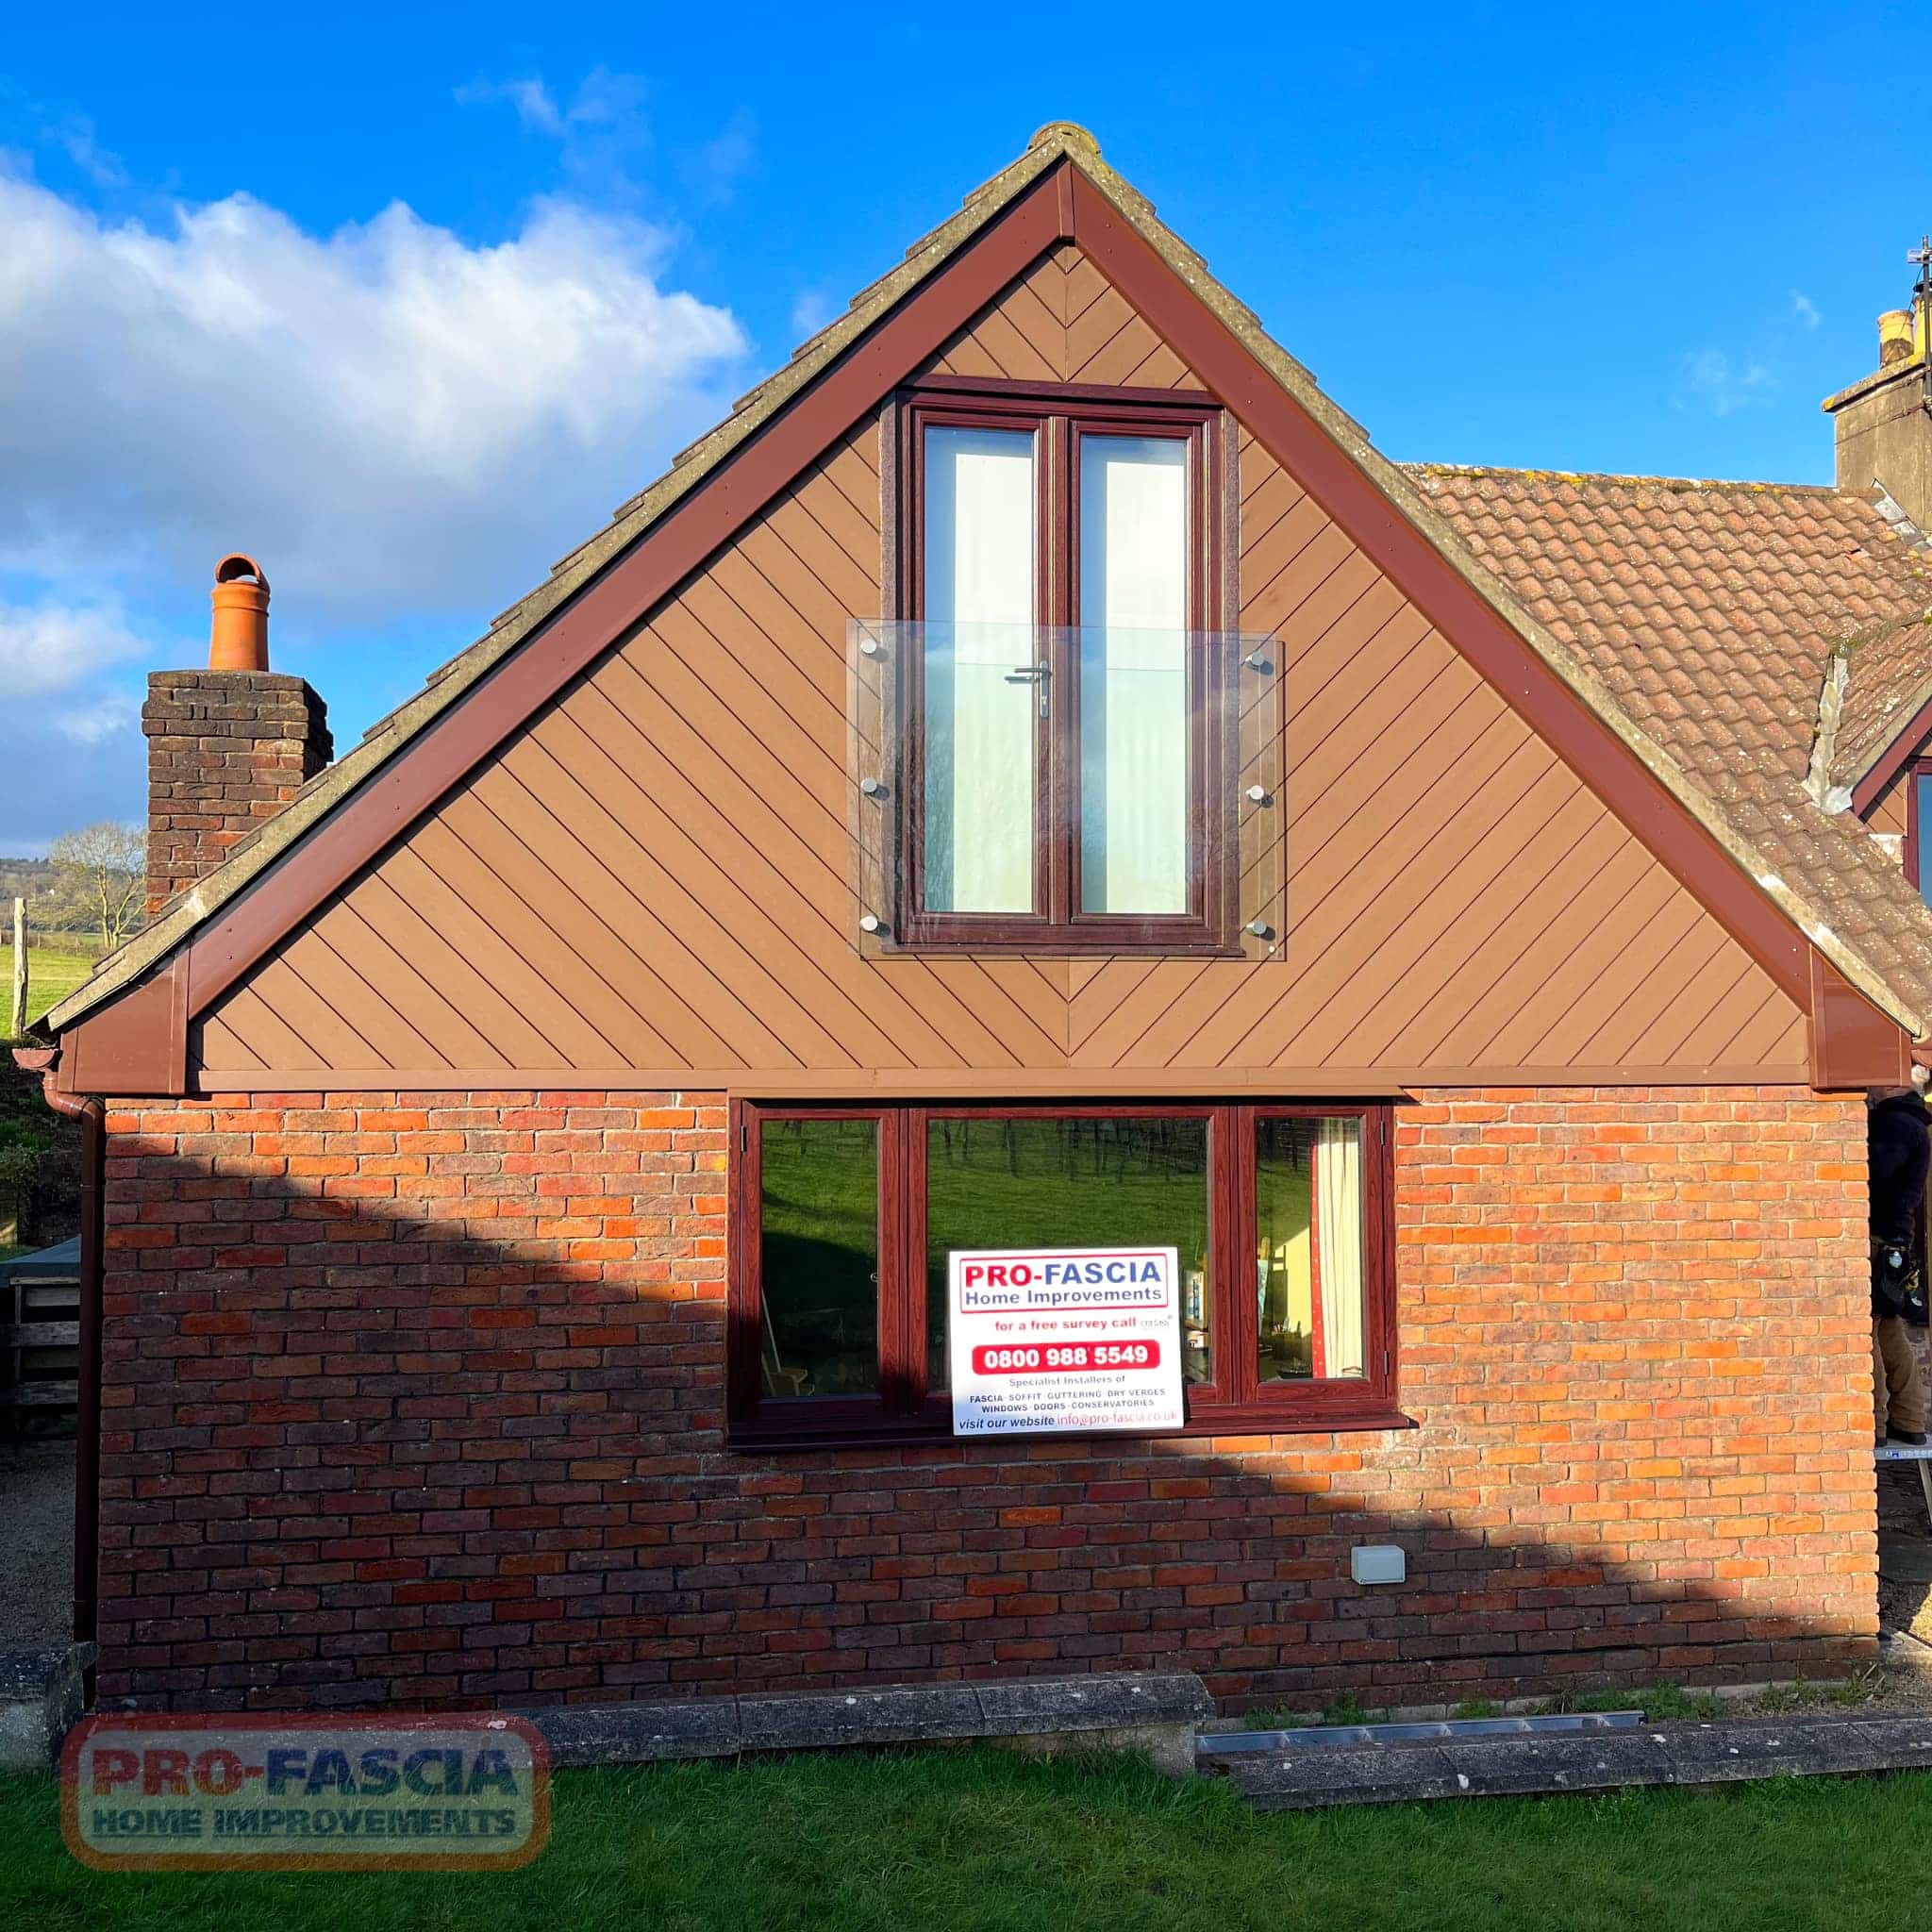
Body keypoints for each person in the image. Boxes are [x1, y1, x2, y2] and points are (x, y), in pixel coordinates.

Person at [1871, 1079, 1932, 1446]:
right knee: (1890, 1329)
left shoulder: (1895, 1124)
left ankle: (1873, 1422)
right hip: (1895, 1242)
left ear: (1894, 1085)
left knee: (1866, 1331)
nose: (1868, 1088)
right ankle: (1909, 1420)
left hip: (1877, 1239)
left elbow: (1873, 1172)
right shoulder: (1912, 1123)